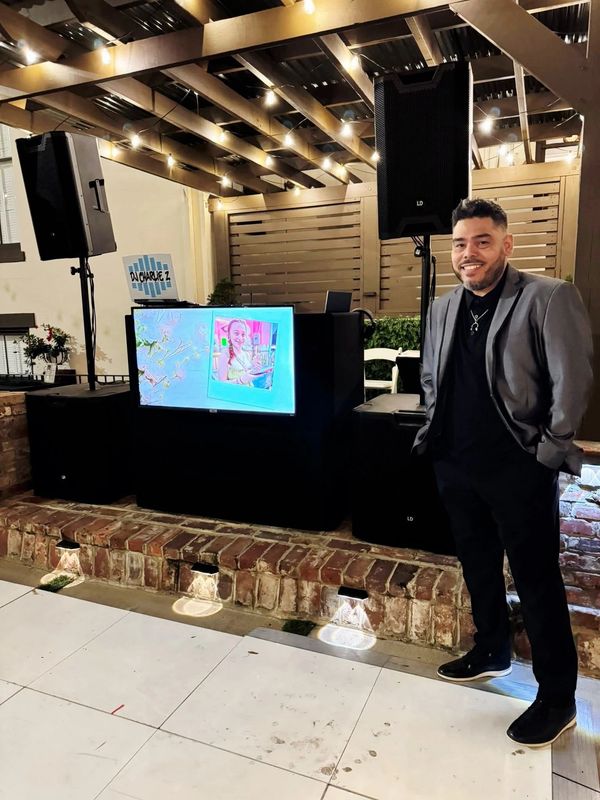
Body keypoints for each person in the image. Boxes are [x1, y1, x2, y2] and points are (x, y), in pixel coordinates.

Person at [414, 197, 593, 747]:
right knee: (478, 565)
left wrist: (548, 453)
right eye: (460, 243)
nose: (468, 253)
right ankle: (492, 647)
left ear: (506, 244)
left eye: (482, 241)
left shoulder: (547, 297)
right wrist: (435, 434)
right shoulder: (444, 307)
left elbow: (572, 382)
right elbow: (431, 377)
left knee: (537, 581)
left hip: (519, 467)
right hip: (456, 463)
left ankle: (558, 698)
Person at [217, 319, 269, 386]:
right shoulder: (225, 355)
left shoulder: (246, 354)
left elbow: (247, 373)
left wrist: (254, 366)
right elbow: (221, 385)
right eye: (236, 333)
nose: (240, 338)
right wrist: (241, 380)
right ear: (229, 335)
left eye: (243, 334)